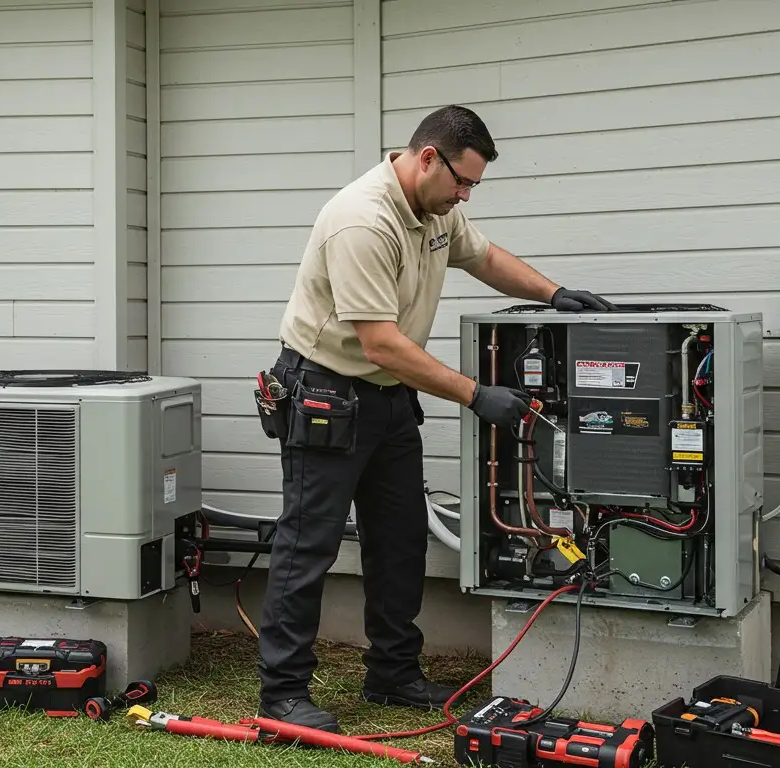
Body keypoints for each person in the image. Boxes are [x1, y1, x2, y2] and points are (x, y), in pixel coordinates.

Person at [253, 104, 615, 732]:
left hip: (388, 400)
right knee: (306, 545)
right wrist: (476, 395)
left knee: (399, 538)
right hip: (326, 392)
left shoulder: (434, 209)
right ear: (427, 158)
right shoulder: (363, 221)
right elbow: (381, 343)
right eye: (462, 182)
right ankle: (283, 693)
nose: (465, 195)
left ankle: (393, 673)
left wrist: (554, 295)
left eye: (473, 185)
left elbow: (485, 257)